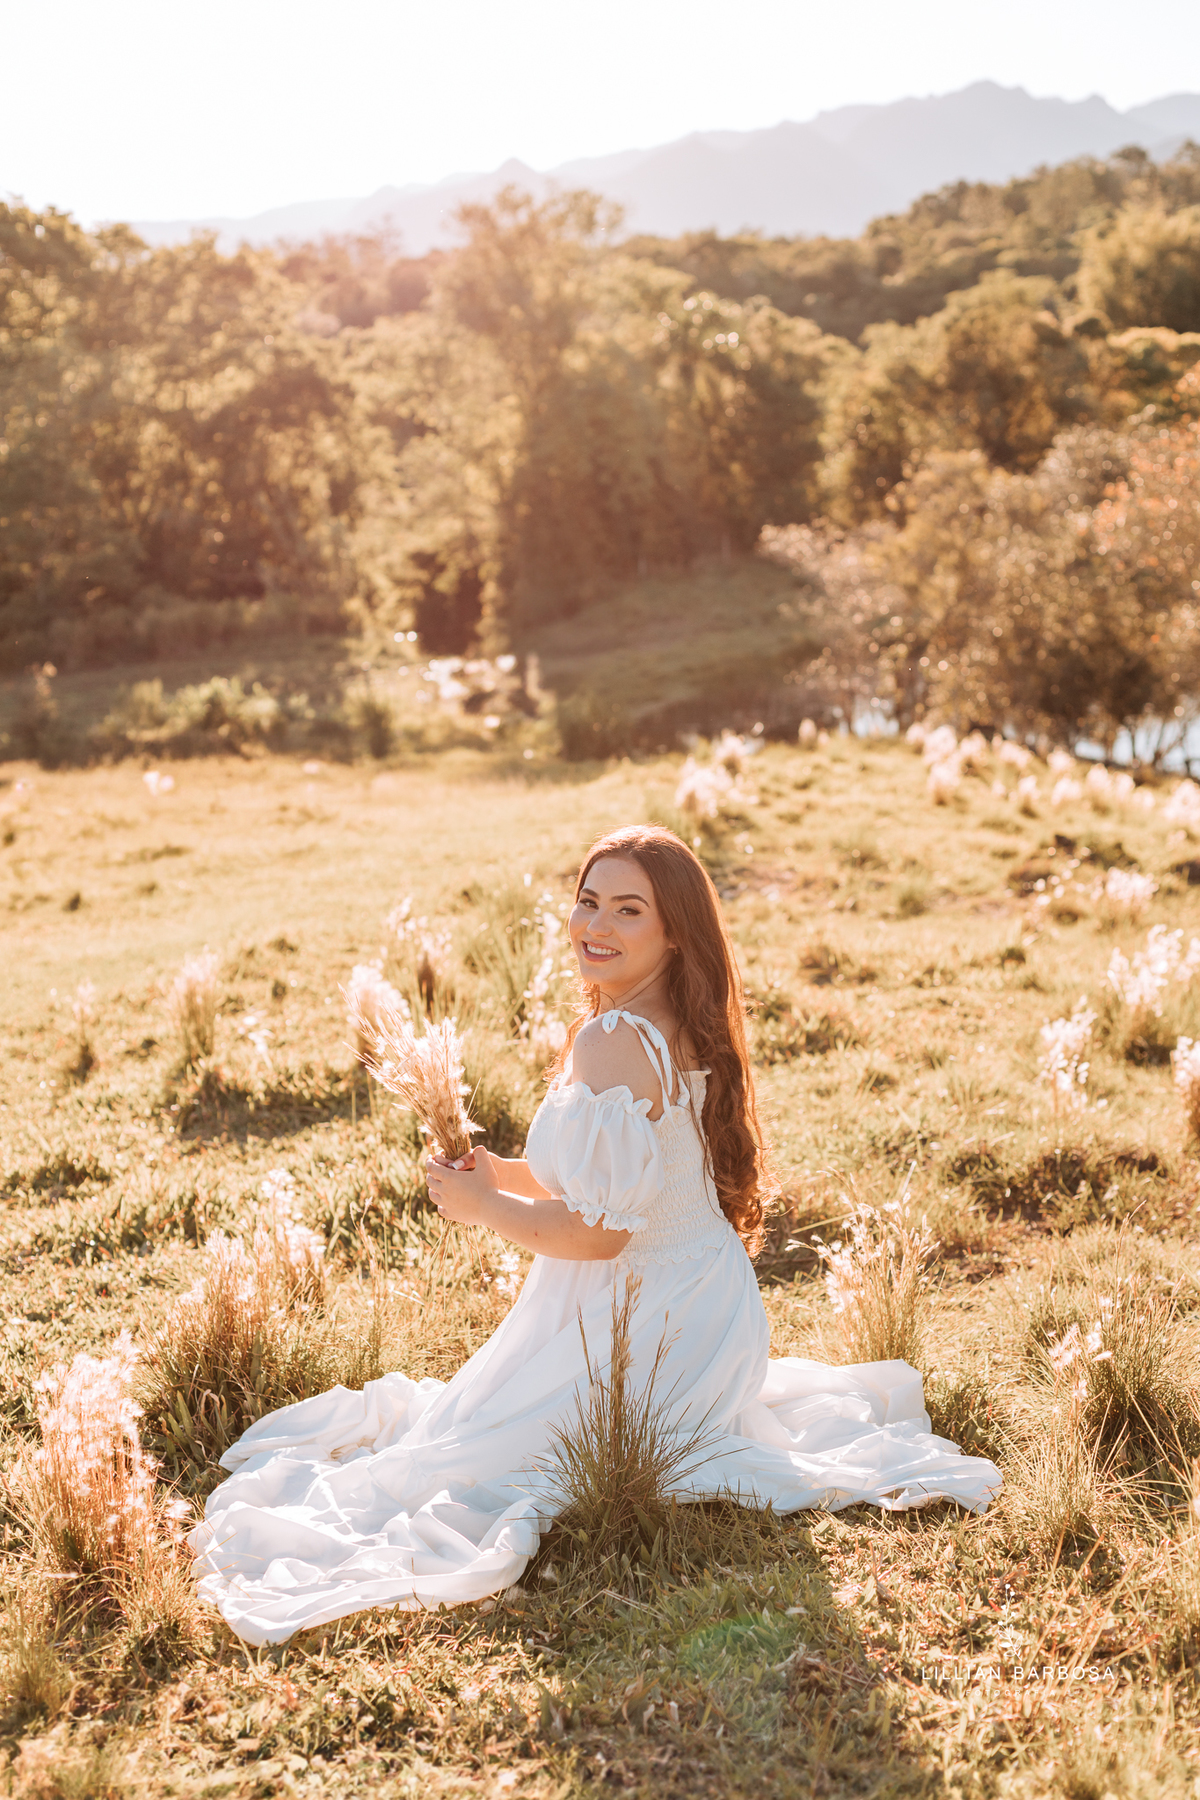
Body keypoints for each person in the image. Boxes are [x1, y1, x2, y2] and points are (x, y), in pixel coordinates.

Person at [191, 825, 1001, 1645]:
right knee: (469, 1429)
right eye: (587, 903)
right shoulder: (678, 1020)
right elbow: (622, 1177)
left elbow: (600, 1235)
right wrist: (501, 1169)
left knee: (461, 1462)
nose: (596, 927)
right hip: (708, 1314)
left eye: (627, 910)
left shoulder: (612, 1039)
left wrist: (483, 1208)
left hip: (647, 1322)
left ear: (672, 931)